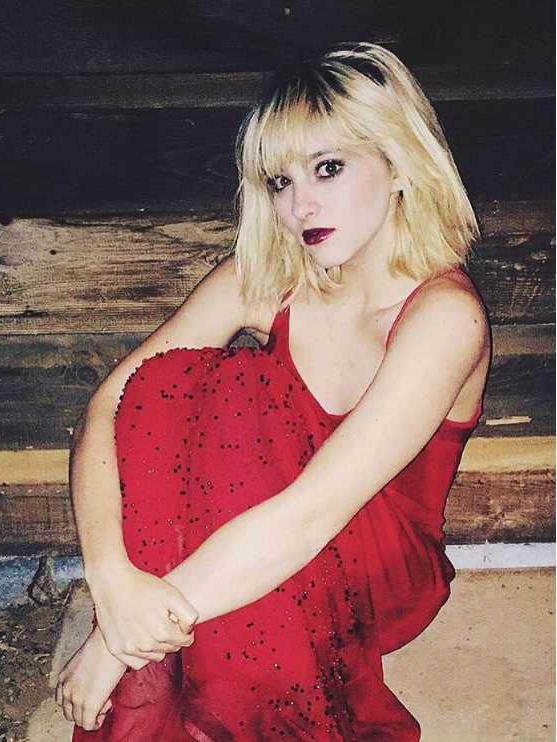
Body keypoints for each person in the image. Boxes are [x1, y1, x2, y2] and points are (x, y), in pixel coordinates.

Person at [55, 42, 490, 741]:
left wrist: (117, 645)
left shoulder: (444, 315)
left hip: (376, 568)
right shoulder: (262, 282)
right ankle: (166, 643)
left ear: (399, 163)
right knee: (166, 384)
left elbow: (309, 516)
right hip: (262, 531)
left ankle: (172, 662)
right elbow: (110, 405)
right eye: (279, 181)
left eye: (328, 168)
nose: (298, 205)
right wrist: (112, 584)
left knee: (233, 394)